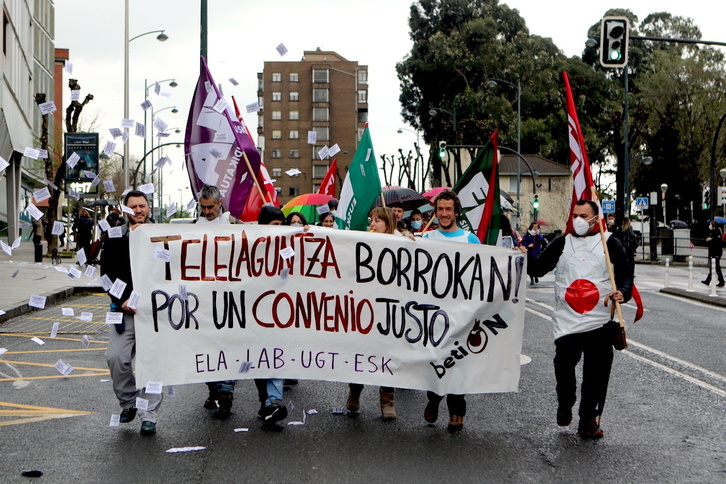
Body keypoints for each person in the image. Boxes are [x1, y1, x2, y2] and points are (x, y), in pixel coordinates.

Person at [524, 200, 634, 439]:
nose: (578, 220)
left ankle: (587, 420)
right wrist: (522, 258)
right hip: (568, 322)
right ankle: (566, 402)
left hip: (600, 322)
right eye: (575, 215)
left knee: (596, 374)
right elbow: (538, 268)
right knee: (563, 367)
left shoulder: (609, 243)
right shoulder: (562, 243)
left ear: (596, 218)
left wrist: (622, 292)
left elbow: (626, 273)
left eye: (584, 215)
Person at [101, 190, 162, 436]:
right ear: (125, 210)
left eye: (142, 206)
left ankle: (149, 416)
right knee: (115, 358)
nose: (138, 210)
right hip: (123, 311)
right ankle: (128, 403)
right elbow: (105, 277)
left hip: (155, 313)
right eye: (133, 206)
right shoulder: (115, 238)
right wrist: (122, 298)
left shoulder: (162, 236)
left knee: (153, 365)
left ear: (149, 208)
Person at [421, 190, 479, 432]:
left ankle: (457, 411)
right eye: (440, 209)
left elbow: (484, 272)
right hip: (432, 314)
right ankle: (434, 399)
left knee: (458, 362)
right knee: (435, 359)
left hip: (461, 313)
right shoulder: (425, 238)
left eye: (448, 209)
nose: (444, 214)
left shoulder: (470, 240)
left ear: (456, 212)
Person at [345, 206, 401, 421]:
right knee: (360, 350)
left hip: (389, 310)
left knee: (387, 354)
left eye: (377, 220)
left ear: (387, 222)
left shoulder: (402, 243)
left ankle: (387, 399)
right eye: (371, 221)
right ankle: (354, 392)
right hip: (365, 308)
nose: (372, 225)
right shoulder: (362, 241)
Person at [195, 186, 239, 419]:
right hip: (203, 298)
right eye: (203, 207)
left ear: (220, 203)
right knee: (204, 346)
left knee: (226, 344)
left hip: (229, 296)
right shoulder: (195, 228)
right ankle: (214, 388)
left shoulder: (233, 223)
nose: (207, 211)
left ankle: (226, 389)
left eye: (210, 207)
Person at [254, 205, 289, 424]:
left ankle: (274, 401)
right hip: (256, 312)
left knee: (277, 356)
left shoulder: (289, 244)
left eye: (281, 225)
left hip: (281, 311)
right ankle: (265, 400)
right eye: (275, 225)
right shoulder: (251, 246)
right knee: (259, 359)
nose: (280, 229)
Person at [702, 220, 724, 287]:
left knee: (715, 267)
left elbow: (716, 241)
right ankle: (709, 281)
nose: (709, 226)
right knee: (715, 267)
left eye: (710, 224)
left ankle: (721, 281)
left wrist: (710, 240)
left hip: (716, 252)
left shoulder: (717, 232)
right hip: (714, 252)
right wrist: (708, 240)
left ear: (713, 225)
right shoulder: (712, 232)